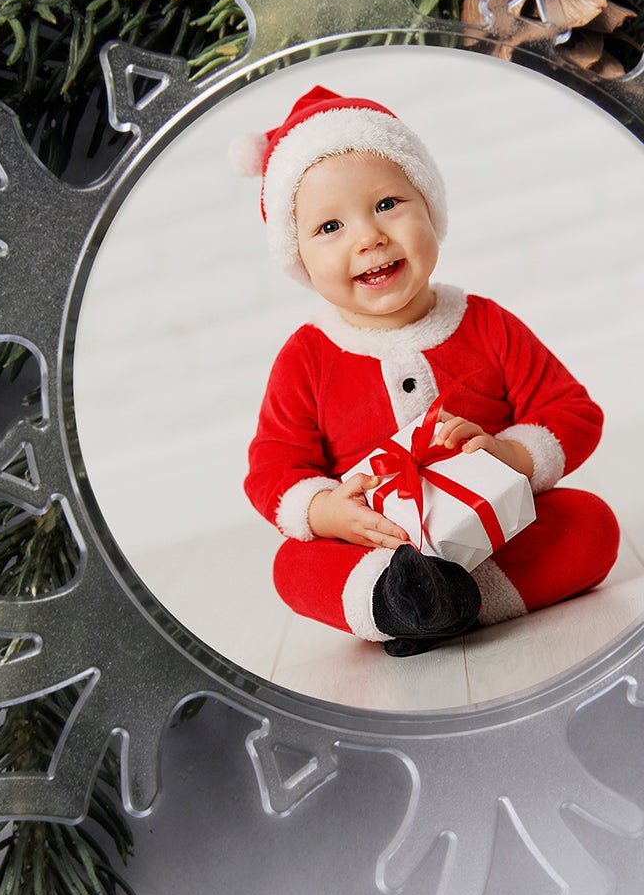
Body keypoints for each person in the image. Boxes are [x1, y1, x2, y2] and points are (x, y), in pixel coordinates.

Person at [242, 85, 619, 657]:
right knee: (292, 564)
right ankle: (395, 600)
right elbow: (273, 466)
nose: (368, 237)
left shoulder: (485, 322)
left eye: (387, 204)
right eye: (329, 228)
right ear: (297, 257)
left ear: (430, 208)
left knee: (590, 523)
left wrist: (509, 456)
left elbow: (572, 411)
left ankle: (445, 607)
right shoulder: (308, 357)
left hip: (497, 526)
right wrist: (326, 511)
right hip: (382, 546)